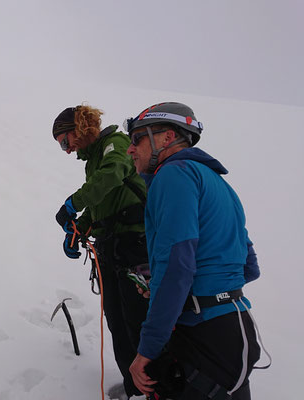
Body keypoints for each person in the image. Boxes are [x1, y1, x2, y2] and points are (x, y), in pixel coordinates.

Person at [124, 102, 263, 399]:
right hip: (236, 329)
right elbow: (248, 266)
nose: (130, 149)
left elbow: (177, 267)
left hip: (202, 336)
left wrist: (147, 349)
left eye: (137, 139)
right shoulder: (219, 184)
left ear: (166, 137)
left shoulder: (173, 176)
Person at [52, 105, 150, 399]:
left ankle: (155, 388)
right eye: (61, 146)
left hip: (134, 247)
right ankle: (133, 385)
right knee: (117, 321)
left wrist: (74, 201)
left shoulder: (116, 145)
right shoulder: (92, 161)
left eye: (64, 142)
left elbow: (113, 174)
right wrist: (78, 230)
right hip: (110, 248)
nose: (67, 149)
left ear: (78, 129)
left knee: (137, 320)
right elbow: (101, 203)